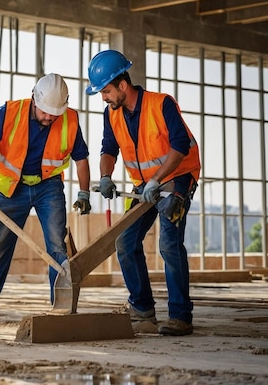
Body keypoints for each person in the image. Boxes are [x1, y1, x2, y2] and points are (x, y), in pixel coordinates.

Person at [0, 73, 91, 334]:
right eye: (45, 112)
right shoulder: (9, 113)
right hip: (11, 189)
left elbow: (82, 159)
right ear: (34, 99)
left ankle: (61, 313)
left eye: (55, 113)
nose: (50, 117)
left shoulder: (70, 119)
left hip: (48, 187)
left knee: (57, 251)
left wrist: (84, 192)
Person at [85, 49, 201, 336]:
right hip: (143, 184)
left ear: (122, 85)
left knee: (169, 244)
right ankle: (142, 309)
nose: (104, 97)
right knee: (125, 241)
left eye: (106, 91)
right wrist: (105, 176)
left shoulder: (162, 104)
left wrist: (157, 180)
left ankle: (180, 316)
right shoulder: (112, 114)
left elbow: (180, 147)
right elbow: (108, 150)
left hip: (176, 178)